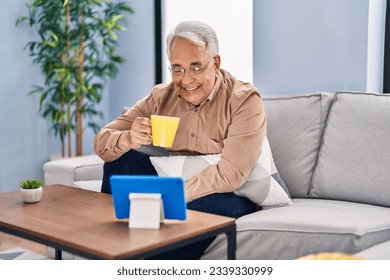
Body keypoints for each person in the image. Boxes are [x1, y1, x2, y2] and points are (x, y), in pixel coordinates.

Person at [93, 20, 266, 259]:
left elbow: (231, 174)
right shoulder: (161, 97)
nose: (186, 79)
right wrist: (128, 138)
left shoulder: (244, 100)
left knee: (192, 212)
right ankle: (110, 251)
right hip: (173, 183)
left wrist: (176, 194)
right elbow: (102, 142)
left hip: (231, 194)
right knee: (121, 161)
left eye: (196, 67)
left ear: (215, 63)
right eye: (178, 69)